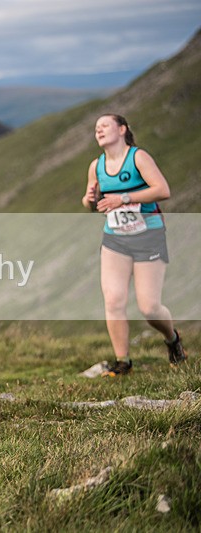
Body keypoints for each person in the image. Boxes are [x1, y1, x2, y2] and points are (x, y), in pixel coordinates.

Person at [82, 113, 187, 376]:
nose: (99, 130)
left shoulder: (138, 157)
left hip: (148, 235)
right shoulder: (96, 166)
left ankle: (172, 339)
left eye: (105, 125)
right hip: (115, 238)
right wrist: (89, 198)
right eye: (96, 128)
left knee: (149, 307)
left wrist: (123, 198)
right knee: (114, 300)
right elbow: (91, 204)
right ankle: (123, 362)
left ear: (122, 129)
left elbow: (162, 189)